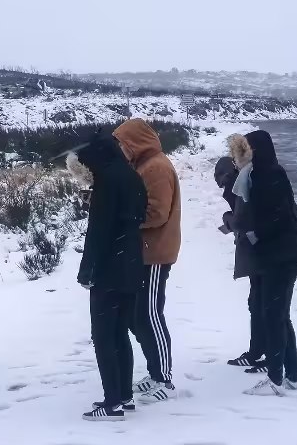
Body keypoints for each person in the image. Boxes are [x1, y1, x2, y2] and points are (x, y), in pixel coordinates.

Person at [66, 128, 147, 421]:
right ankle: (124, 396)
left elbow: (99, 232)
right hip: (132, 263)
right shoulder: (130, 175)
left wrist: (87, 271)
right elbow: (134, 216)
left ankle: (111, 403)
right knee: (120, 333)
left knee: (103, 336)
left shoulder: (106, 181)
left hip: (110, 269)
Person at [227, 130, 297, 396]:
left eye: (247, 149)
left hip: (283, 256)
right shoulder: (256, 174)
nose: (243, 155)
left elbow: (280, 216)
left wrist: (254, 234)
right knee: (278, 315)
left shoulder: (271, 174)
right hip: (276, 255)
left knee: (273, 316)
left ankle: (276, 379)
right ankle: (292, 376)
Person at [112, 118, 181, 403]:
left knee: (150, 315)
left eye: (122, 143)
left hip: (154, 253)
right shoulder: (143, 165)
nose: (120, 149)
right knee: (138, 317)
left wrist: (122, 216)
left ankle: (165, 378)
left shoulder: (155, 167)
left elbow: (156, 214)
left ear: (134, 142)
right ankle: (155, 373)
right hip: (143, 251)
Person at [215, 156, 268, 374]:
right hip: (261, 250)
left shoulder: (245, 185)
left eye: (222, 180)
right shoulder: (243, 182)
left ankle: (272, 357)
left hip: (266, 251)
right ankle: (258, 352)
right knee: (258, 303)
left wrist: (229, 219)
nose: (222, 186)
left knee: (267, 306)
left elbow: (242, 219)